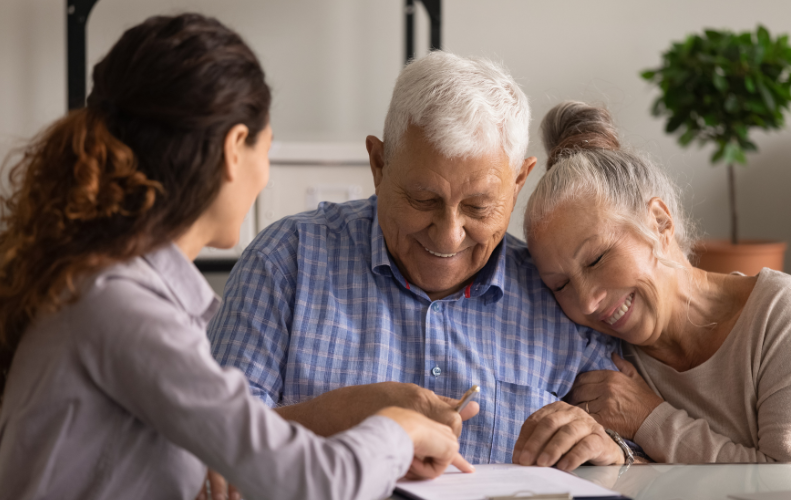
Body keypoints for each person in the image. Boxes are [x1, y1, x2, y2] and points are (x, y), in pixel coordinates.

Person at [0, 14, 471, 500]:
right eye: (265, 151)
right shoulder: (122, 305)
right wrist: (396, 429)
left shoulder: (113, 285)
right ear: (233, 150)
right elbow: (309, 481)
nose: (264, 176)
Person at [208, 52, 628, 468]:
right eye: (422, 199)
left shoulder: (564, 291)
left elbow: (640, 453)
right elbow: (206, 446)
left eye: (478, 207)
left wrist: (615, 452)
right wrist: (339, 415)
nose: (448, 234)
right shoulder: (285, 262)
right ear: (378, 163)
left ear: (518, 182)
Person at [517, 100, 791, 463]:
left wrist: (651, 419)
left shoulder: (781, 311)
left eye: (597, 259)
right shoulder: (601, 357)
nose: (586, 302)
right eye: (560, 286)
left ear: (660, 222)